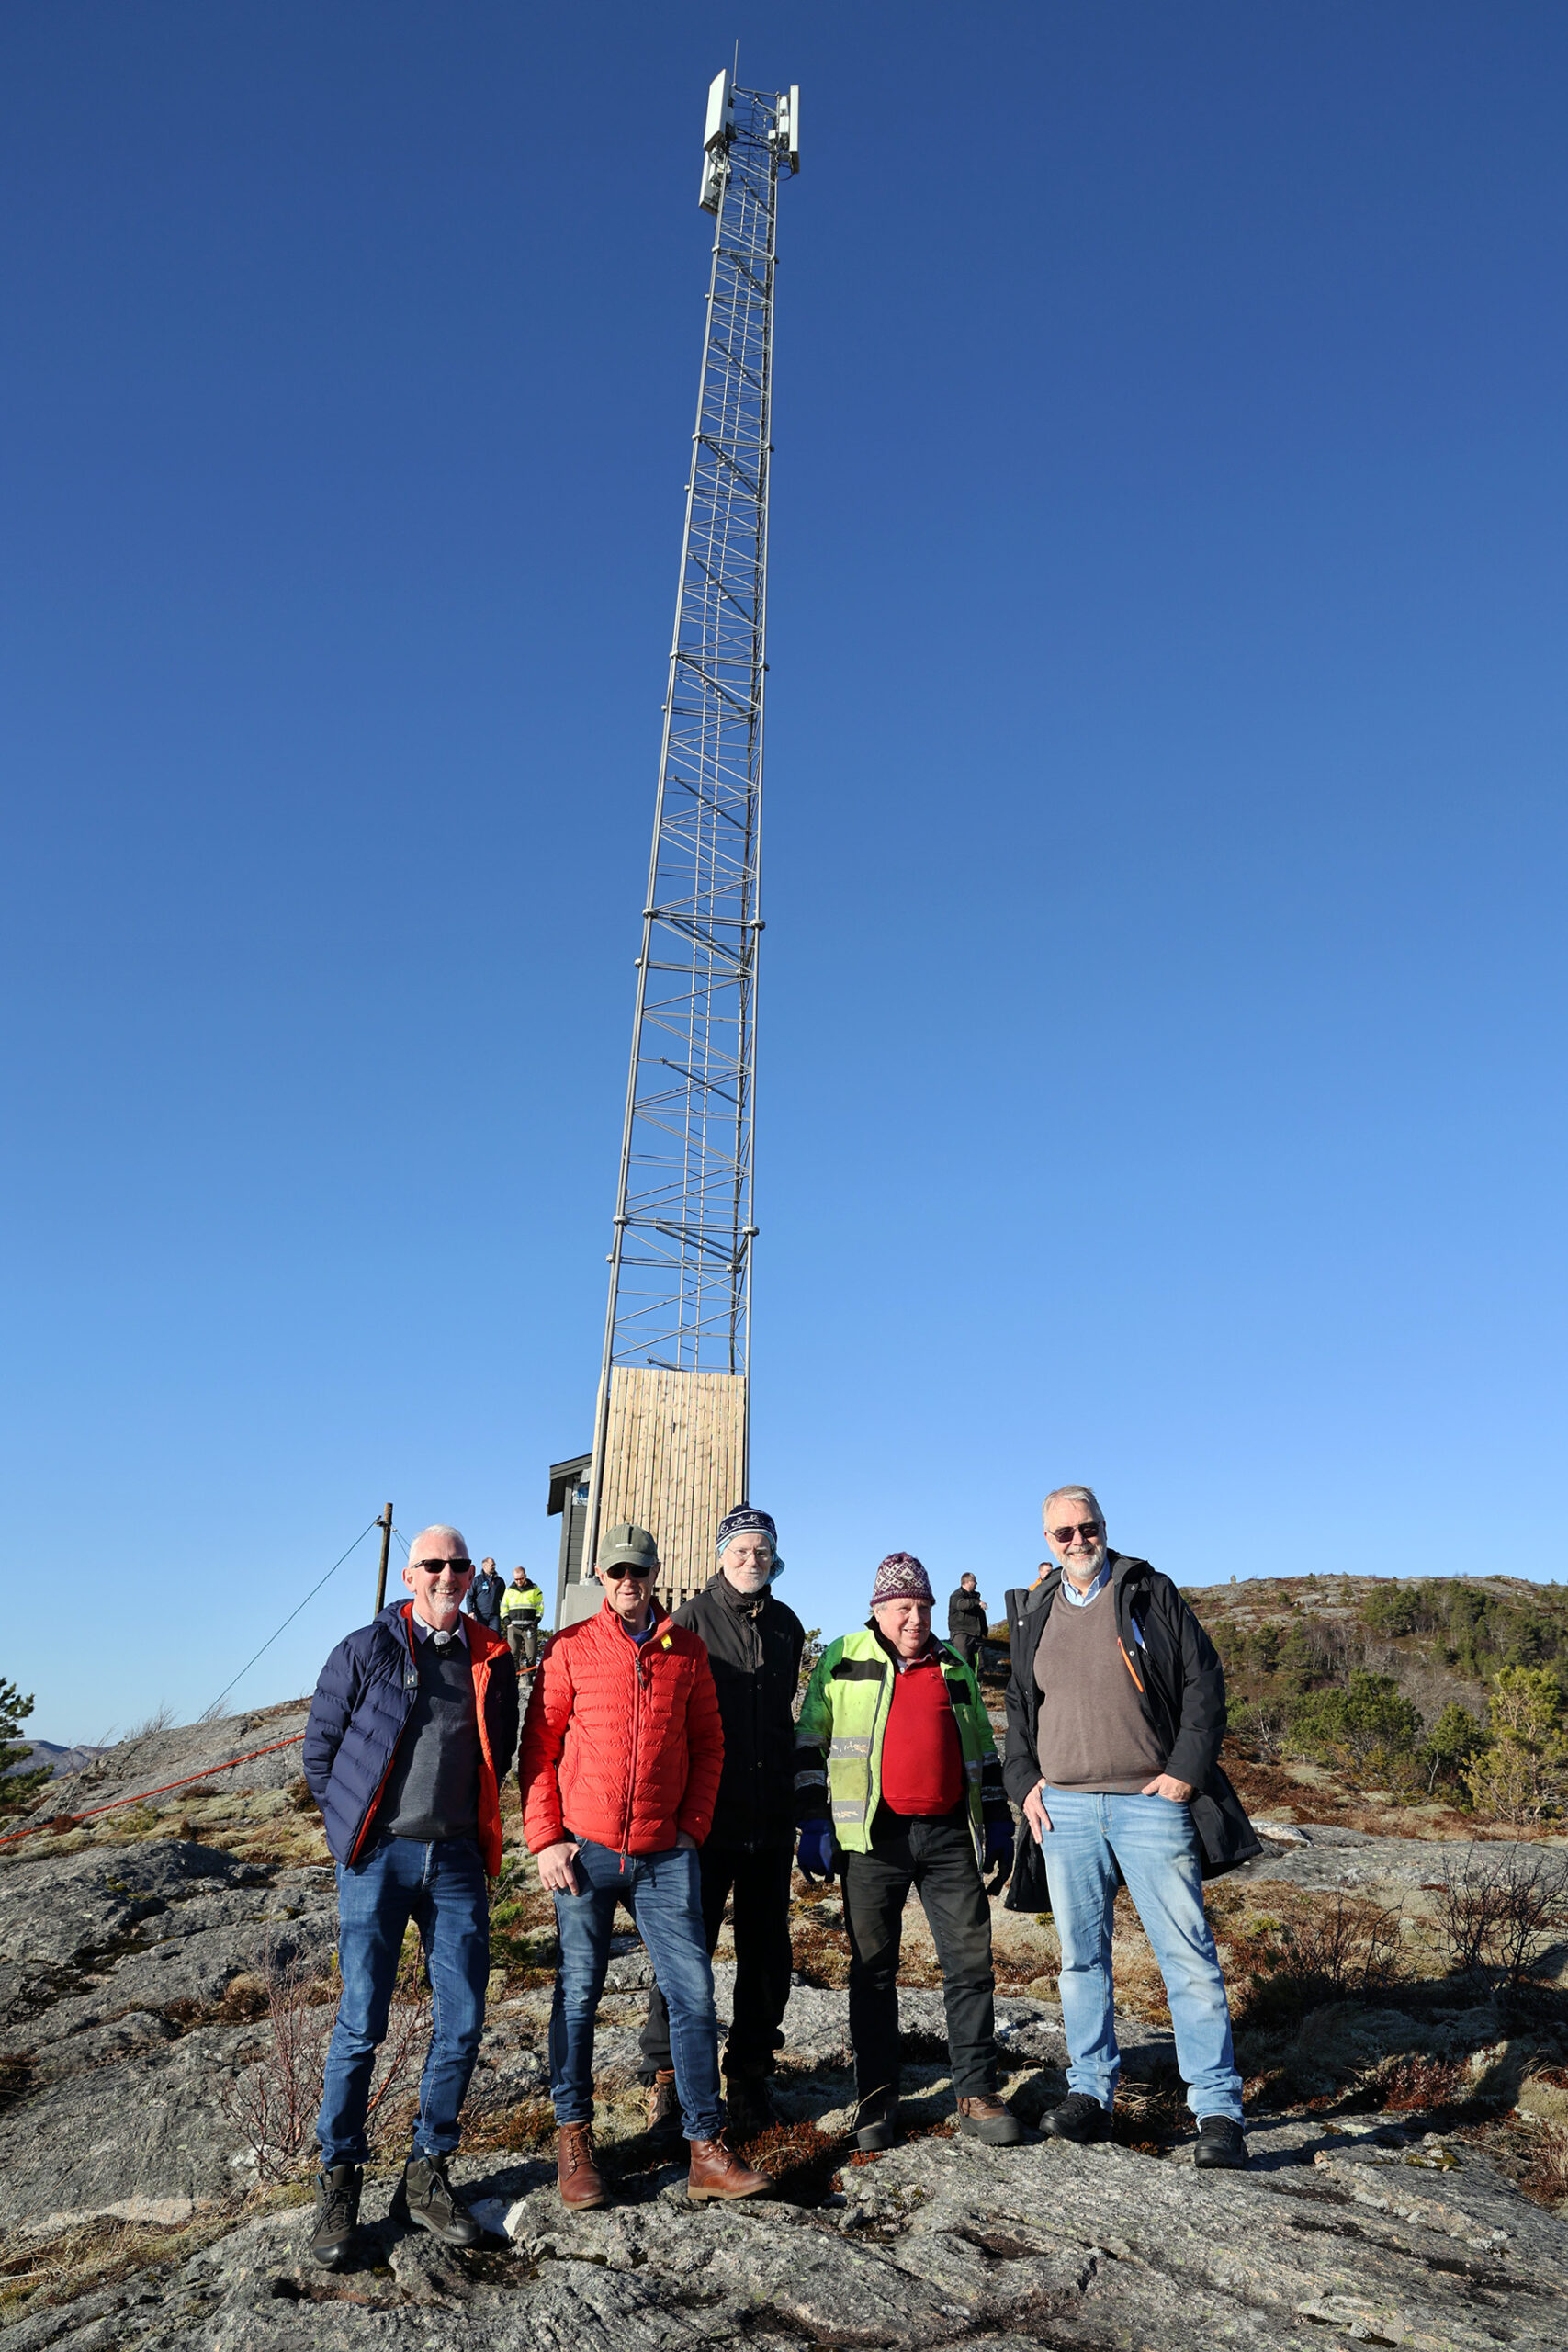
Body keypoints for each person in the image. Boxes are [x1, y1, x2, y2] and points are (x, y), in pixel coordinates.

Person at [1003, 1485, 1259, 2170]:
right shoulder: (1032, 1610)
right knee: (1082, 1962)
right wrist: (1023, 1782)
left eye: (1088, 1527)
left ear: (1103, 1527)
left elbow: (1203, 1681)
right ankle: (1090, 2093)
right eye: (1063, 1533)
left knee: (1187, 1960)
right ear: (1047, 1541)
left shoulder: (1148, 1591)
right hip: (1065, 1811)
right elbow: (1020, 1705)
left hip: (1151, 1804)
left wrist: (1183, 1773)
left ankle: (1215, 2109)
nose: (1078, 1540)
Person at [520, 1520, 773, 2210]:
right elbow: (538, 1750)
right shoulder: (569, 1648)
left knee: (692, 1996)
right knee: (578, 1995)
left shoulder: (685, 1651)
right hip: (585, 1851)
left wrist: (690, 1829)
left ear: (657, 1574)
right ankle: (575, 2143)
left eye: (639, 1572)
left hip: (665, 1856)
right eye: (616, 1573)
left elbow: (709, 1746)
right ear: (601, 1579)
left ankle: (705, 2148)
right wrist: (546, 1838)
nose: (629, 1583)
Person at [301, 1523, 520, 2268]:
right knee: (361, 2023)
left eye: (459, 1564)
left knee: (461, 2021)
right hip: (378, 1859)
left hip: (455, 1857)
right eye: (434, 1564)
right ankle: (339, 2182)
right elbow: (319, 1750)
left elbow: (503, 1745)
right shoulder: (364, 1649)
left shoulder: (492, 1653)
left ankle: (426, 2174)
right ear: (409, 1574)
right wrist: (350, 1840)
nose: (448, 1575)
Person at [795, 1553, 1020, 2154]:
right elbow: (809, 1745)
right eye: (902, 1608)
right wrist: (813, 1821)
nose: (915, 1619)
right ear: (877, 1610)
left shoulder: (953, 1666)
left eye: (922, 1607)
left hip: (948, 1837)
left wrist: (996, 1819)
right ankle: (876, 2099)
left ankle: (975, 2091)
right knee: (872, 1972)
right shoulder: (841, 1659)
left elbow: (982, 1752)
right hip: (872, 1840)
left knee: (970, 1965)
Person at [637, 1505, 805, 2145]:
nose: (751, 1560)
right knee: (685, 1954)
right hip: (700, 1823)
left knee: (766, 1953)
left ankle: (750, 2076)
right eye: (739, 1550)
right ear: (719, 1555)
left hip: (769, 1818)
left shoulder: (786, 1624)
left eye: (761, 1550)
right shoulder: (687, 1623)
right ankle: (668, 2079)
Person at [500, 1565, 545, 1669]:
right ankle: (514, 1680)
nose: (519, 1581)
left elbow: (540, 1607)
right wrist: (508, 1623)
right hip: (513, 1627)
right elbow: (503, 1607)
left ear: (525, 1576)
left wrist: (535, 1623)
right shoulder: (509, 1590)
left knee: (531, 1654)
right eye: (516, 1579)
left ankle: (529, 1678)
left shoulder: (534, 1589)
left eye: (521, 1579)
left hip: (529, 1627)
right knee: (512, 1655)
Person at [946, 1573, 989, 1678]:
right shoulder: (956, 1595)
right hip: (962, 1633)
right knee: (963, 1661)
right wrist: (977, 1602)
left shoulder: (975, 1597)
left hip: (976, 1635)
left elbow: (981, 1615)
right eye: (975, 1581)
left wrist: (984, 1630)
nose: (976, 1584)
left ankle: (977, 1688)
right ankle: (963, 1688)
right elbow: (961, 1605)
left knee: (979, 1664)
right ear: (968, 1582)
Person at [466, 1556, 505, 1634]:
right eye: (492, 1565)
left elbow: (504, 1599)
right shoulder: (477, 1580)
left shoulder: (499, 1581)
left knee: (495, 1637)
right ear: (484, 1566)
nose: (494, 1567)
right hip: (480, 1616)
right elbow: (469, 1597)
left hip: (494, 1616)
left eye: (494, 1565)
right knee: (481, 1637)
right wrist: (470, 1612)